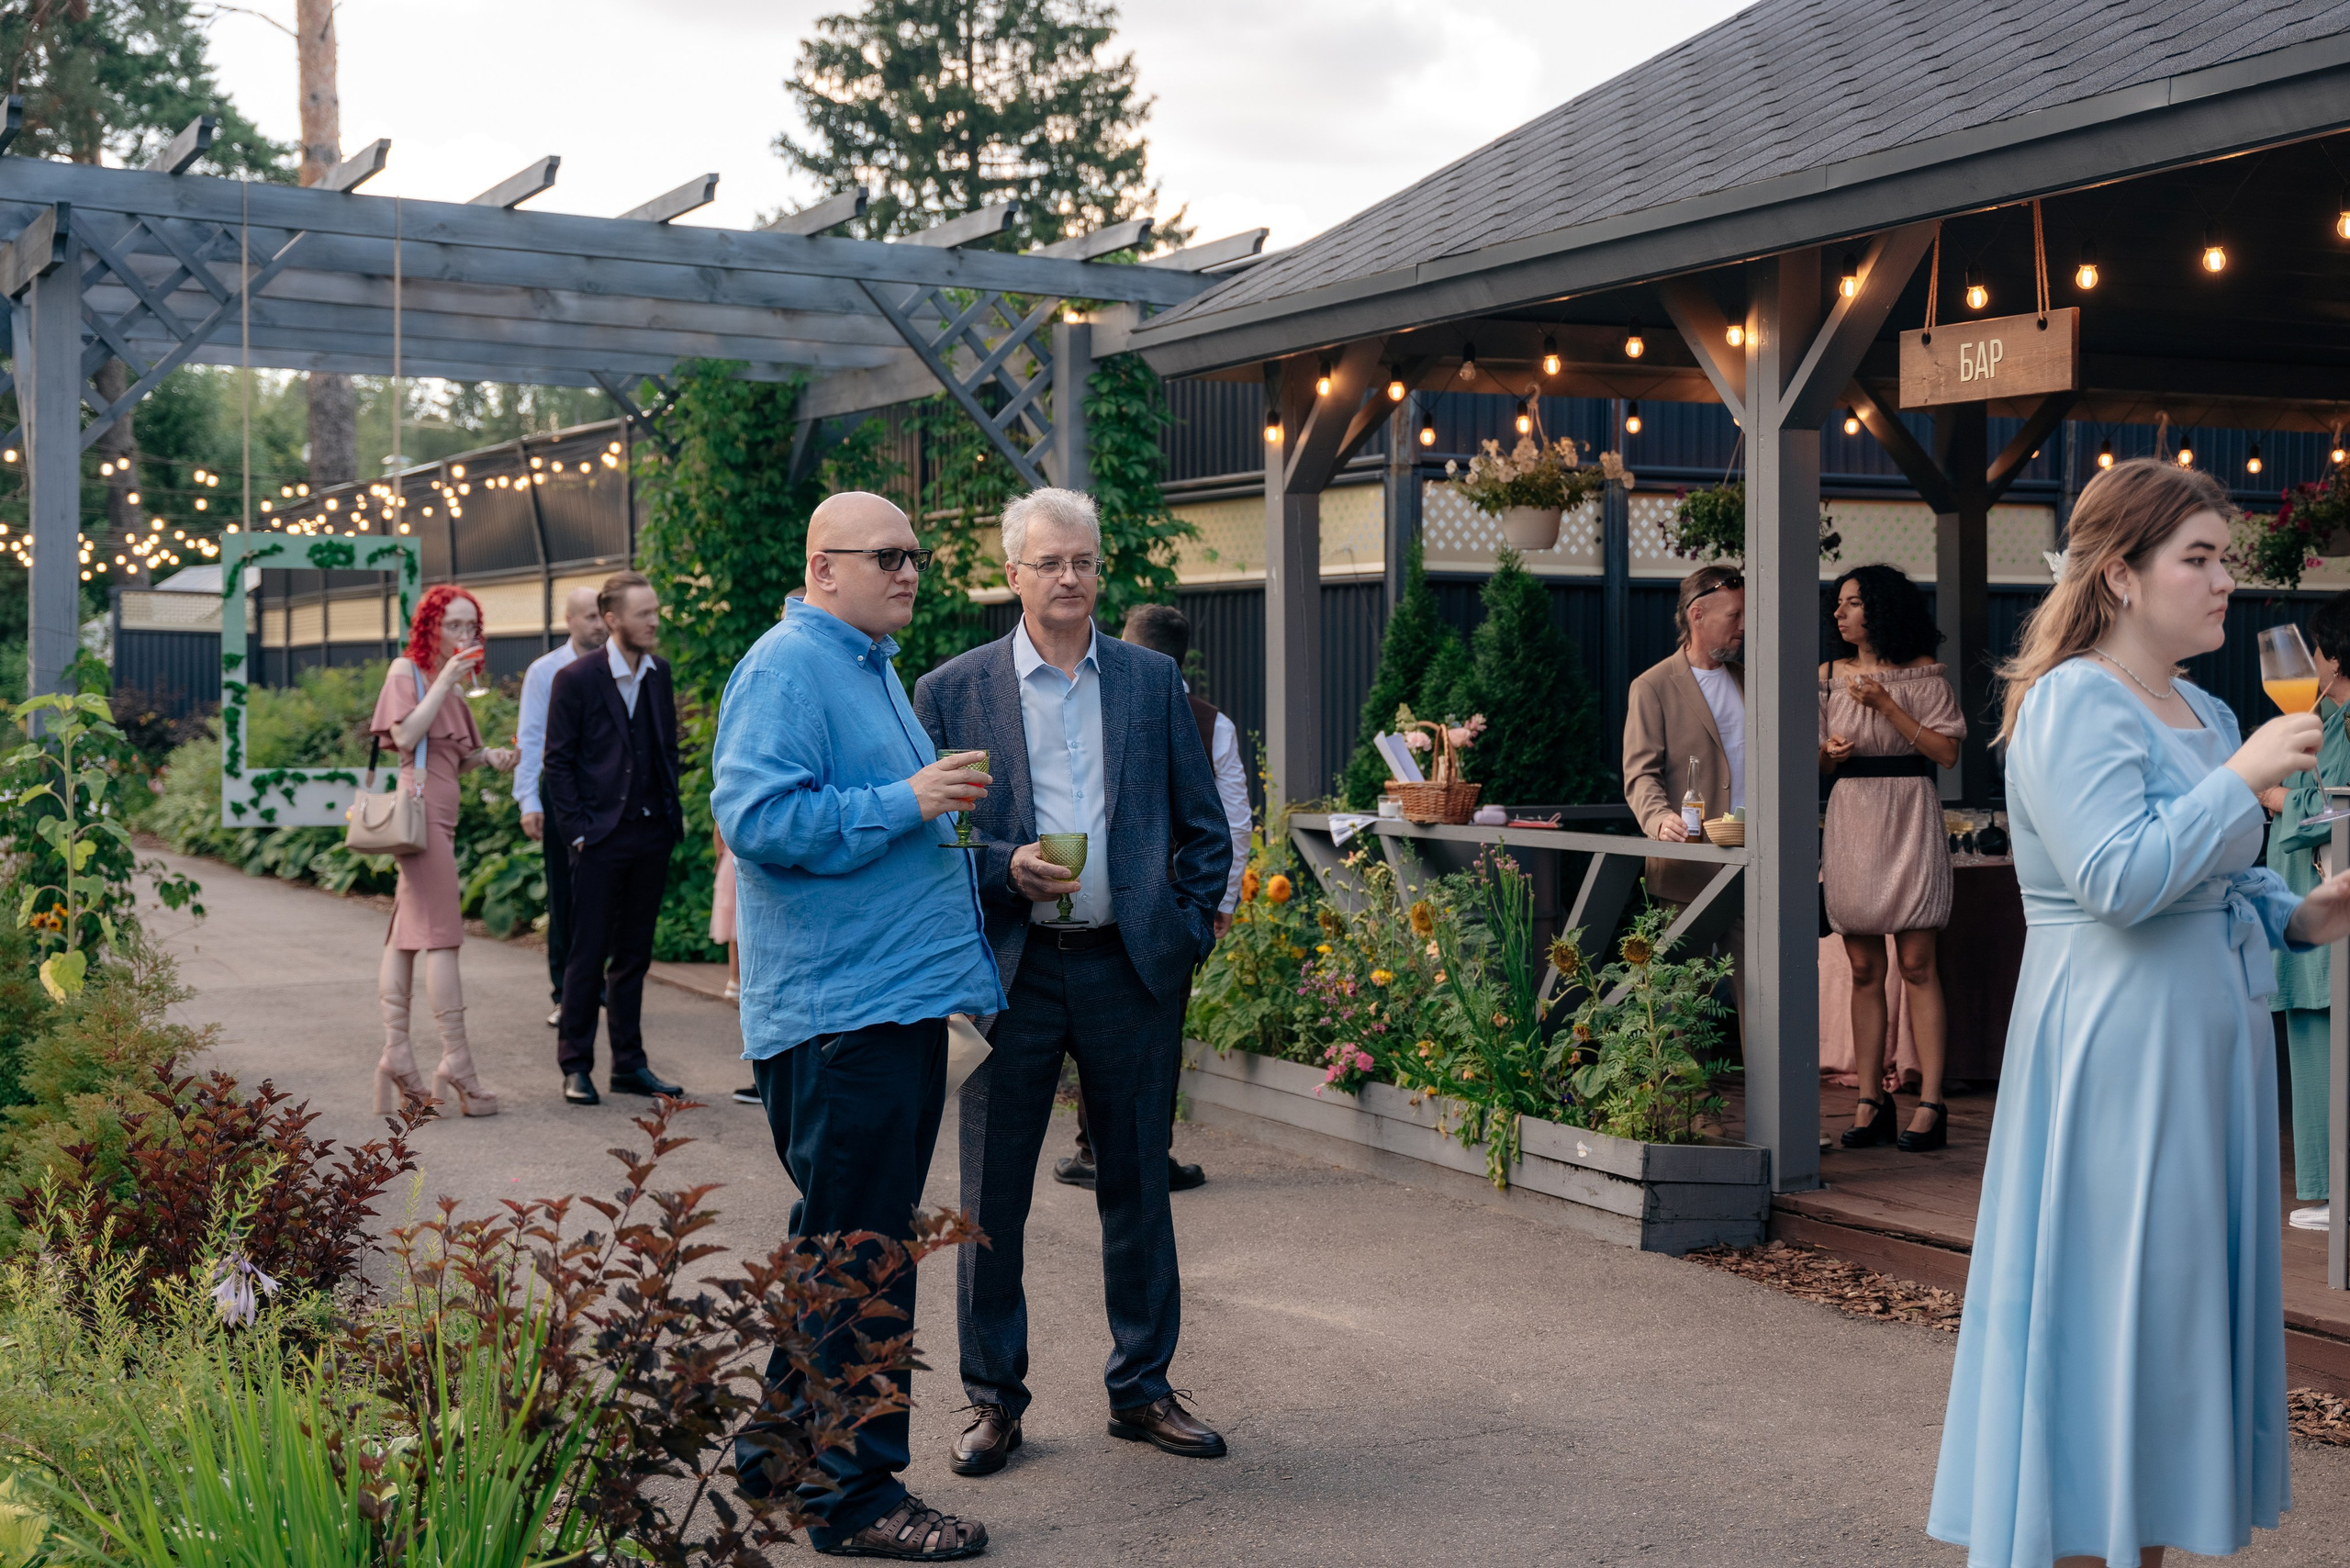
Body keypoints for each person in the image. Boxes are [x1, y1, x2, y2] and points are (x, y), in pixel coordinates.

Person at [1930, 458, 2350, 1568]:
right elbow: (2116, 880)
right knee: (2109, 1320)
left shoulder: (2209, 707)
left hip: (2208, 1058)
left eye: (2225, 559)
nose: (2223, 582)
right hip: (2115, 1054)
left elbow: (2221, 881)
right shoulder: (2073, 699)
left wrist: (2305, 914)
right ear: (2120, 572)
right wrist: (2240, 778)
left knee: (2167, 1334)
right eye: (2197, 559)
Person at [912, 487, 1232, 1481]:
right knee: (989, 1197)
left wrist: (1181, 934)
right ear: (1011, 575)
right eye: (1048, 562)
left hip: (1128, 967)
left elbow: (1204, 827)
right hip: (1008, 969)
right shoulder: (951, 691)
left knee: (1137, 1182)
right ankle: (991, 1400)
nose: (1069, 578)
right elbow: (932, 839)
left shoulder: (1147, 680)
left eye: (1083, 562)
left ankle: (1142, 1388)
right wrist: (1002, 863)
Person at [711, 491, 1001, 1561]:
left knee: (837, 1241)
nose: (910, 570)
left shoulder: (868, 665)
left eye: (916, 554)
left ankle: (779, 1455)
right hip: (845, 1012)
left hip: (888, 999)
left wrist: (983, 851)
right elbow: (757, 820)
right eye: (887, 555)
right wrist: (904, 800)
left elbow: (889, 817)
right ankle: (857, 1498)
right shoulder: (789, 666)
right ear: (821, 566)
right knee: (866, 1255)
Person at [1051, 599, 1248, 1193]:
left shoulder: (1088, 703)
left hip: (1089, 897)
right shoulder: (1213, 722)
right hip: (1169, 906)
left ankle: (1093, 1150)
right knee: (1159, 1031)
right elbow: (1231, 825)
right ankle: (1146, 1156)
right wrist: (1216, 906)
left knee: (1090, 1027)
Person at [1819, 564, 1965, 1153]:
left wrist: (1886, 705)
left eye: (1851, 603)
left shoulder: (1924, 677)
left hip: (1909, 807)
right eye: (1839, 604)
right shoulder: (1827, 677)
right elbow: (1811, 762)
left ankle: (1931, 1102)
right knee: (1862, 968)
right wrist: (1827, 756)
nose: (1839, 613)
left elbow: (1946, 754)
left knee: (1917, 963)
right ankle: (1869, 1100)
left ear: (1879, 609)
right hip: (1852, 812)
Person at [367, 586, 518, 1116]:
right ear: (430, 625)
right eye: (454, 625)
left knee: (406, 936)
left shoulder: (449, 678)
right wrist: (447, 680)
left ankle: (397, 1054)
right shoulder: (407, 672)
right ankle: (457, 1063)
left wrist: (490, 757)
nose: (465, 635)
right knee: (443, 935)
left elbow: (456, 755)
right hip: (422, 814)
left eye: (472, 626)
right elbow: (406, 736)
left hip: (441, 815)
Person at [542, 570, 685, 1108]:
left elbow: (664, 748)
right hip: (599, 840)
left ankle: (629, 1064)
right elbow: (557, 761)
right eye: (644, 613)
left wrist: (669, 820)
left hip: (650, 835)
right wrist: (578, 833)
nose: (654, 620)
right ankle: (575, 1065)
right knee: (588, 953)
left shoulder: (658, 673)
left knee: (634, 956)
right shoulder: (576, 679)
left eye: (654, 611)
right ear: (612, 619)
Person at [2261, 588, 2350, 1231]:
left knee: (2319, 1036)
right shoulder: (2326, 714)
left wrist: (2266, 791)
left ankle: (2327, 1193)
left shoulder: (2339, 719)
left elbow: (2326, 807)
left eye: (2315, 652)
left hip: (2323, 895)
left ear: (2333, 657)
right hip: (2309, 892)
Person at [1622, 564, 1745, 1015]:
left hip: (1752, 865)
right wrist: (1657, 818)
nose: (1744, 626)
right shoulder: (1651, 686)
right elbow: (1640, 774)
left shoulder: (1753, 682)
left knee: (1764, 1002)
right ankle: (1686, 1091)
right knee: (1682, 1010)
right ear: (1697, 615)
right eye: (1733, 616)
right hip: (1687, 866)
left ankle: (1764, 1089)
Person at [515, 585, 610, 1028]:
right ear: (569, 621)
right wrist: (528, 800)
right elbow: (531, 737)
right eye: (589, 616)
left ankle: (601, 986)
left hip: (612, 799)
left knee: (609, 896)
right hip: (563, 796)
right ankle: (565, 991)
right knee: (565, 895)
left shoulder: (624, 665)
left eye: (602, 615)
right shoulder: (545, 671)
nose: (598, 624)